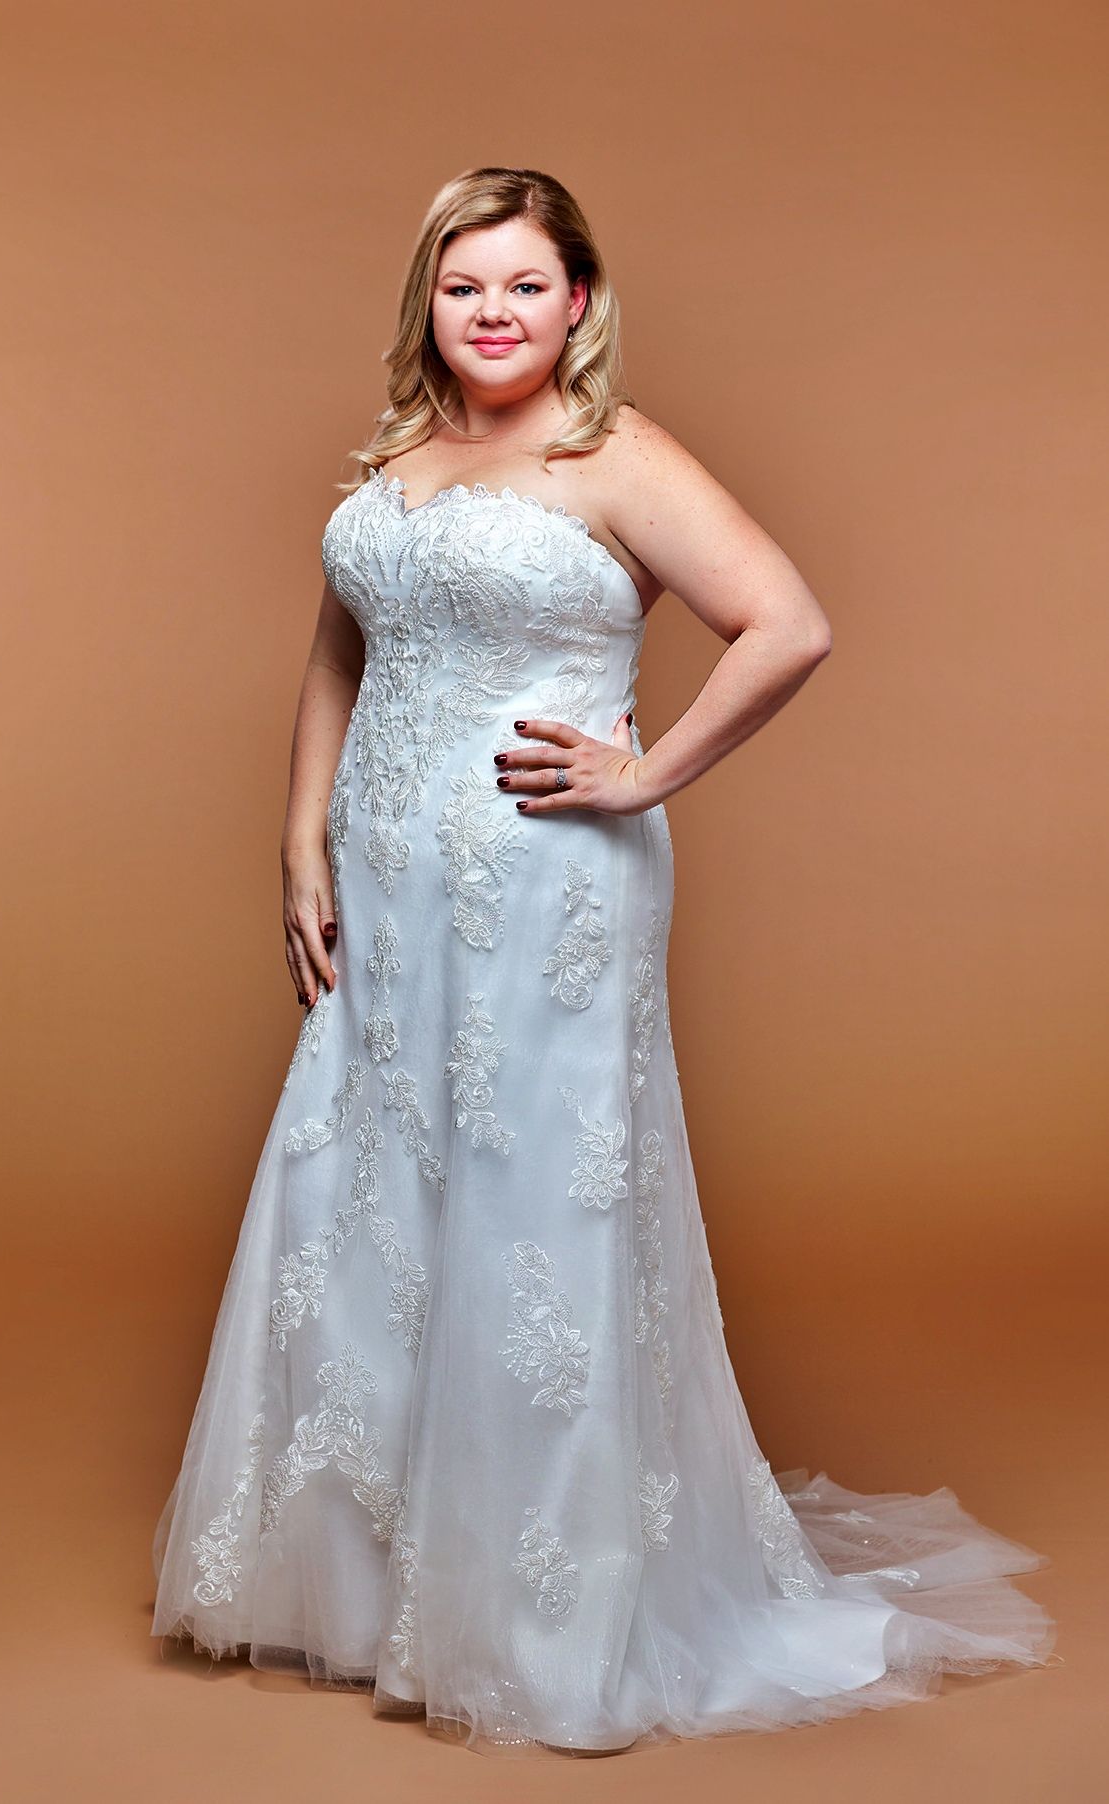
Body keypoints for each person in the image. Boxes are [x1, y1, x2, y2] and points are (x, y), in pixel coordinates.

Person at [150, 165, 1055, 1757]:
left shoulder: (614, 456)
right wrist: (298, 842)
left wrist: (643, 775)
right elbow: (339, 650)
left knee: (529, 1213)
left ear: (579, 304)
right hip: (383, 879)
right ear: (426, 302)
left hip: (546, 886)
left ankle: (541, 1624)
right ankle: (359, 1599)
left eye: (522, 284)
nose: (490, 313)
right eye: (460, 285)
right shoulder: (399, 459)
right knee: (366, 1197)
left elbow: (786, 622)